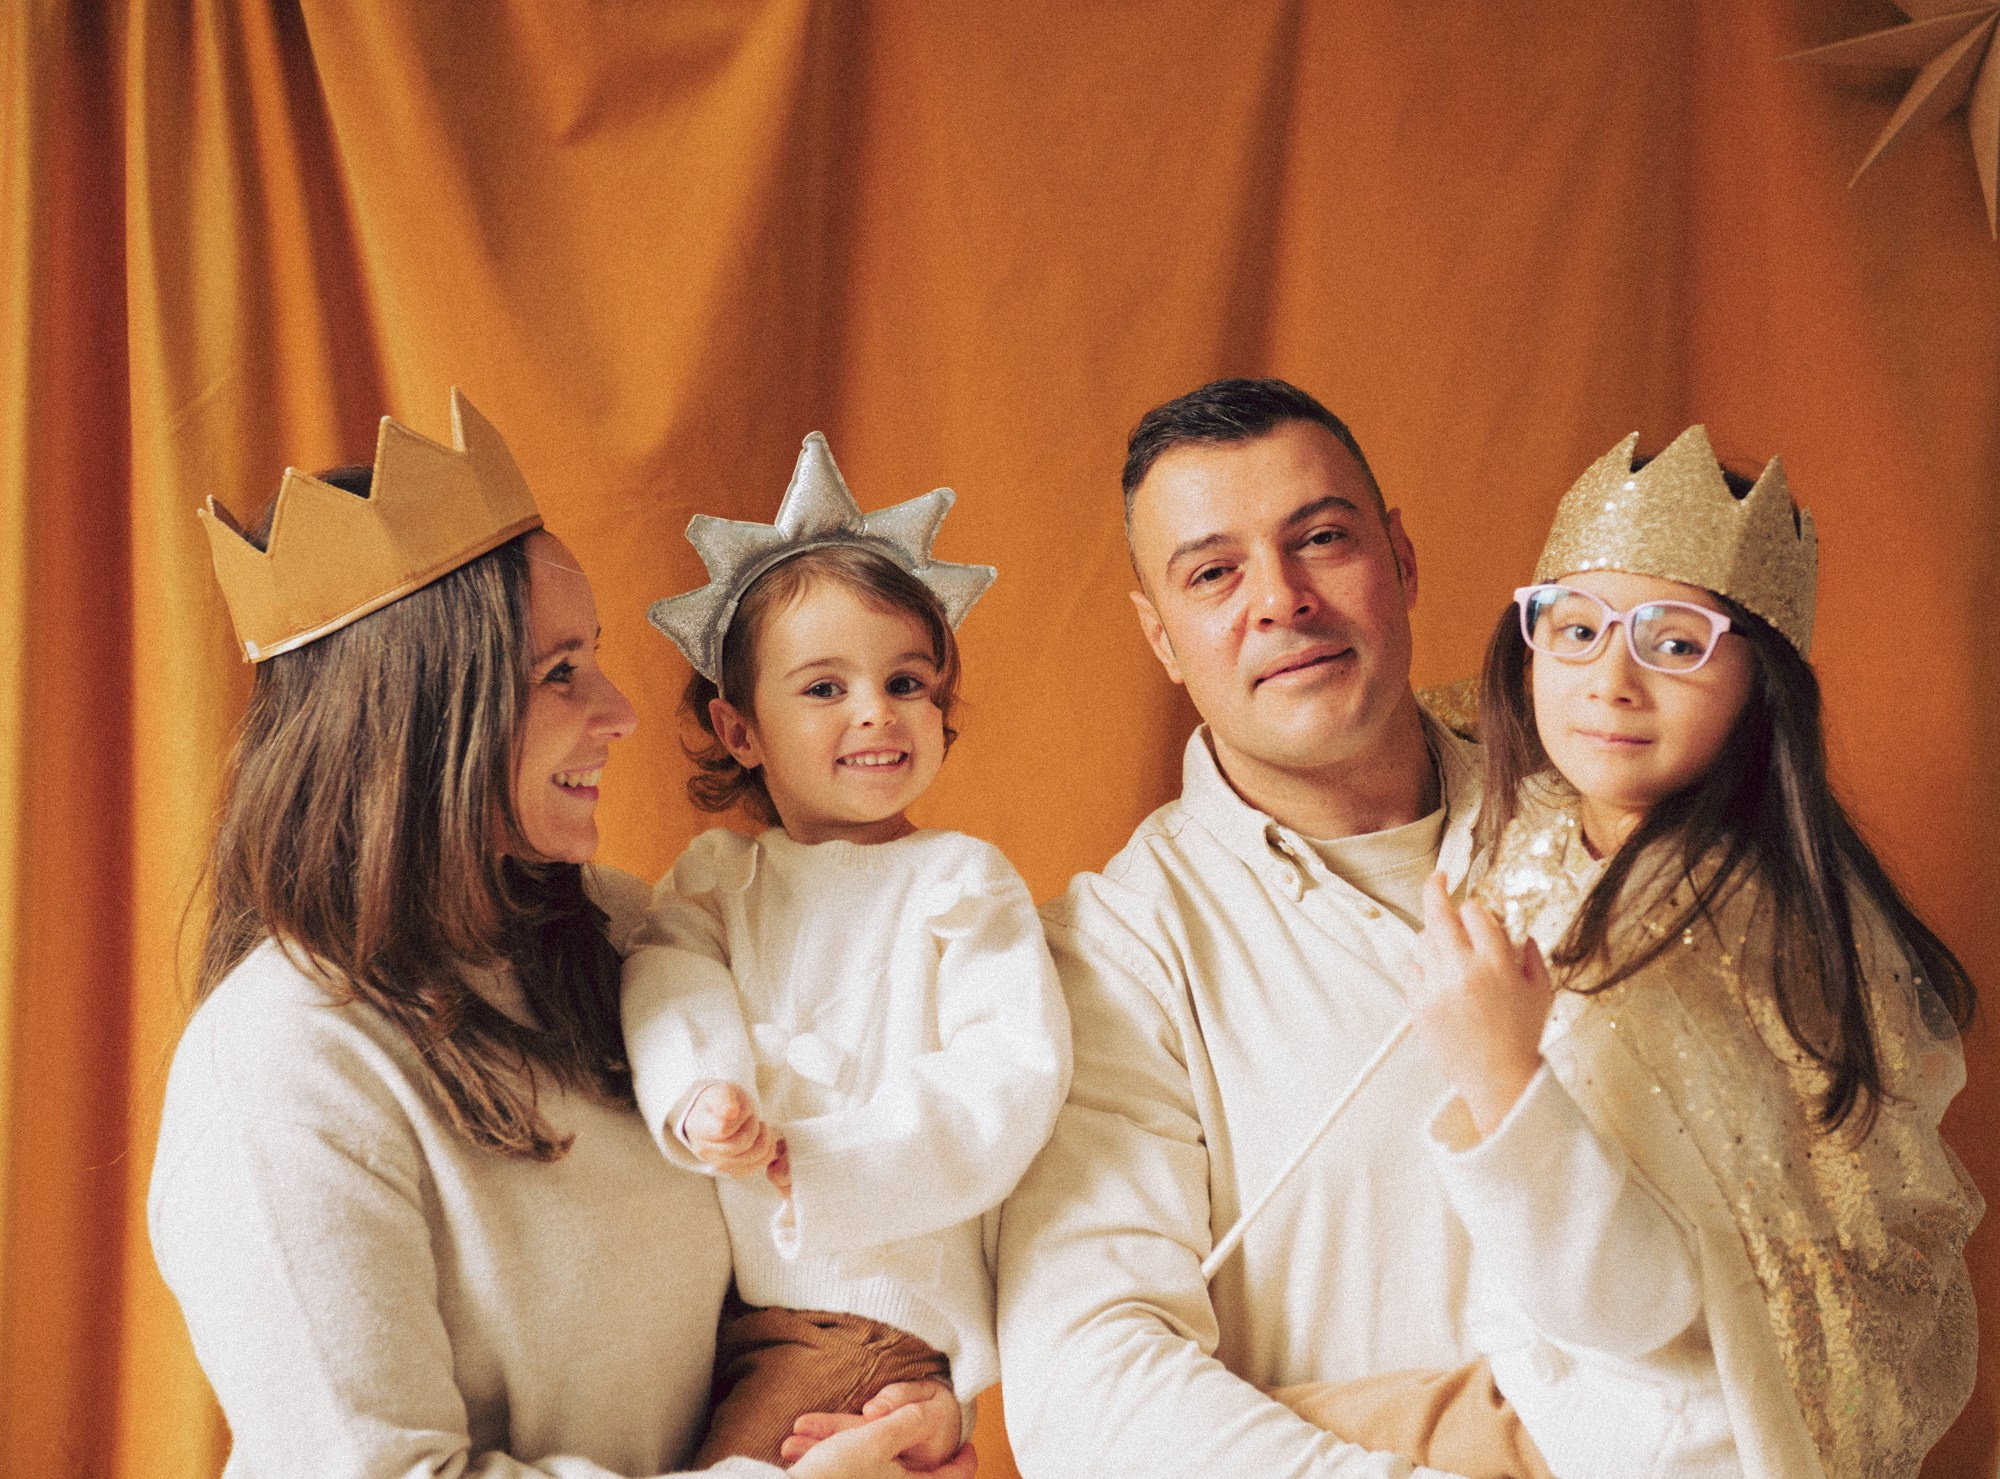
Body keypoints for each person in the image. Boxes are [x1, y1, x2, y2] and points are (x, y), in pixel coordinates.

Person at [148, 391, 971, 1479]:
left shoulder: (639, 938)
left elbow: (801, 1268)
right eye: (558, 672)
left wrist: (897, 1416)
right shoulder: (279, 1064)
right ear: (420, 720)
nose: (622, 709)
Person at [1276, 427, 1980, 1478]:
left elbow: (1630, 1306)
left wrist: (1501, 1074)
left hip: (1650, 1440)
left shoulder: (1724, 947)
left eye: (1674, 641)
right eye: (1571, 630)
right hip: (1559, 1395)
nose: (1610, 681)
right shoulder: (1573, 831)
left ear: (1760, 688)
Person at [994, 377, 1491, 1478]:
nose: (1280, 600)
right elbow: (1084, 1384)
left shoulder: (1610, 835)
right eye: (1212, 573)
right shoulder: (1116, 954)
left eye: (1318, 539)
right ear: (1161, 637)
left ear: (1399, 562)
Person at [622, 433, 1070, 1470]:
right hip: (745, 1319)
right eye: (823, 688)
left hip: (871, 1324)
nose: (875, 709)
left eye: (906, 681)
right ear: (741, 732)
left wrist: (815, 1157)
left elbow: (1009, 1079)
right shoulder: (715, 880)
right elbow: (667, 982)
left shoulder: (959, 883)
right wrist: (701, 1097)